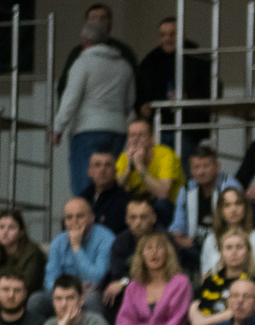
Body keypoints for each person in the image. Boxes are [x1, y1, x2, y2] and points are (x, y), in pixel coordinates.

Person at [53, 20, 136, 197]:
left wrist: (58, 127)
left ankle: (87, 213)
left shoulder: (82, 63)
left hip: (86, 130)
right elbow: (130, 103)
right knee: (110, 181)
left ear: (86, 41)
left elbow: (70, 99)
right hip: (117, 130)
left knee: (84, 185)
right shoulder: (124, 66)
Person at [134, 15, 213, 157]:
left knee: (184, 166)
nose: (167, 39)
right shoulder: (150, 61)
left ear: (182, 35)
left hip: (188, 128)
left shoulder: (197, 57)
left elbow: (209, 91)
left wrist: (187, 97)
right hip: (158, 126)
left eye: (172, 34)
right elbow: (140, 92)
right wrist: (142, 106)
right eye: (163, 35)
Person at [37, 197, 114, 320]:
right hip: (64, 291)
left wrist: (76, 247)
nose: (74, 221)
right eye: (69, 217)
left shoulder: (106, 238)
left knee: (90, 297)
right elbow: (49, 280)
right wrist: (70, 290)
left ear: (92, 218)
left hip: (93, 294)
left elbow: (96, 279)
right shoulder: (58, 242)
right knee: (36, 300)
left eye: (80, 216)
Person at [169, 144, 239, 275]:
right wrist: (184, 241)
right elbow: (177, 230)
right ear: (191, 170)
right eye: (196, 167)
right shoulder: (186, 190)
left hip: (222, 245)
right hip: (193, 245)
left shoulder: (230, 188)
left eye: (206, 166)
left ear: (217, 166)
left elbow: (236, 225)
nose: (201, 171)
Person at [0, 210, 47, 325]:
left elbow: (27, 285)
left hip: (26, 298)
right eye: (1, 227)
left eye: (11, 227)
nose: (5, 232)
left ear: (21, 231)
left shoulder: (32, 252)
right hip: (4, 297)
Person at [189, 213, 255, 325]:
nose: (234, 252)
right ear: (221, 253)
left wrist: (204, 322)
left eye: (239, 247)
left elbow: (239, 312)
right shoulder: (210, 281)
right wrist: (199, 320)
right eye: (228, 247)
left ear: (248, 252)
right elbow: (195, 308)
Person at [115, 233, 191, 325]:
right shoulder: (133, 286)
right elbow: (126, 318)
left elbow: (178, 318)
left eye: (159, 247)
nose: (154, 252)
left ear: (167, 253)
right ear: (141, 255)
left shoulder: (181, 282)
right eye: (149, 248)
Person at [115, 117, 183, 226]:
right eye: (132, 135)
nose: (136, 139)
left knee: (161, 204)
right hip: (137, 206)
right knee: (116, 205)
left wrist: (140, 167)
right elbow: (115, 192)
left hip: (167, 206)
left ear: (151, 138)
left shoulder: (165, 154)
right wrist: (128, 169)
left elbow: (163, 194)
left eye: (141, 135)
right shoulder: (124, 158)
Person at [100, 196, 159, 317]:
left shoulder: (164, 241)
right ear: (126, 219)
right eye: (133, 217)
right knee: (111, 294)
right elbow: (117, 274)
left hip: (158, 286)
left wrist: (125, 282)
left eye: (143, 217)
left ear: (153, 218)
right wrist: (125, 282)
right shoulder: (121, 241)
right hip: (130, 285)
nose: (138, 222)